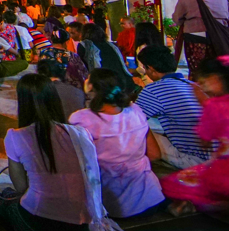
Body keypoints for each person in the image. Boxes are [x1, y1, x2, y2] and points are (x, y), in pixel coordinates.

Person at [0, 74, 97, 231]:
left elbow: (21, 187)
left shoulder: (16, 136)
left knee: (4, 199)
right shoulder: (80, 133)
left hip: (44, 230)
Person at [68, 68, 165, 218]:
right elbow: (154, 154)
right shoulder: (136, 111)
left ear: (90, 87)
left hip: (110, 207)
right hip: (150, 200)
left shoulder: (81, 119)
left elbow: (74, 163)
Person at [159, 57, 229, 215]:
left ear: (216, 79)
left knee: (173, 182)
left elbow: (205, 142)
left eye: (204, 82)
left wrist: (203, 102)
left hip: (224, 172)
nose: (202, 87)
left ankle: (213, 205)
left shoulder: (215, 106)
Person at [136, 45, 211, 168]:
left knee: (141, 130)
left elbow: (131, 121)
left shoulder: (154, 89)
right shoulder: (192, 85)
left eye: (145, 68)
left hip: (195, 159)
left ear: (151, 68)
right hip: (215, 155)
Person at [172, 0, 229, 77]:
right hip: (219, 39)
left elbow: (177, 19)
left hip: (195, 39)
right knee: (218, 72)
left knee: (198, 73)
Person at [77, 23, 135, 92]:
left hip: (105, 83)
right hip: (123, 81)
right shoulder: (111, 45)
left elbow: (82, 66)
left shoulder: (84, 45)